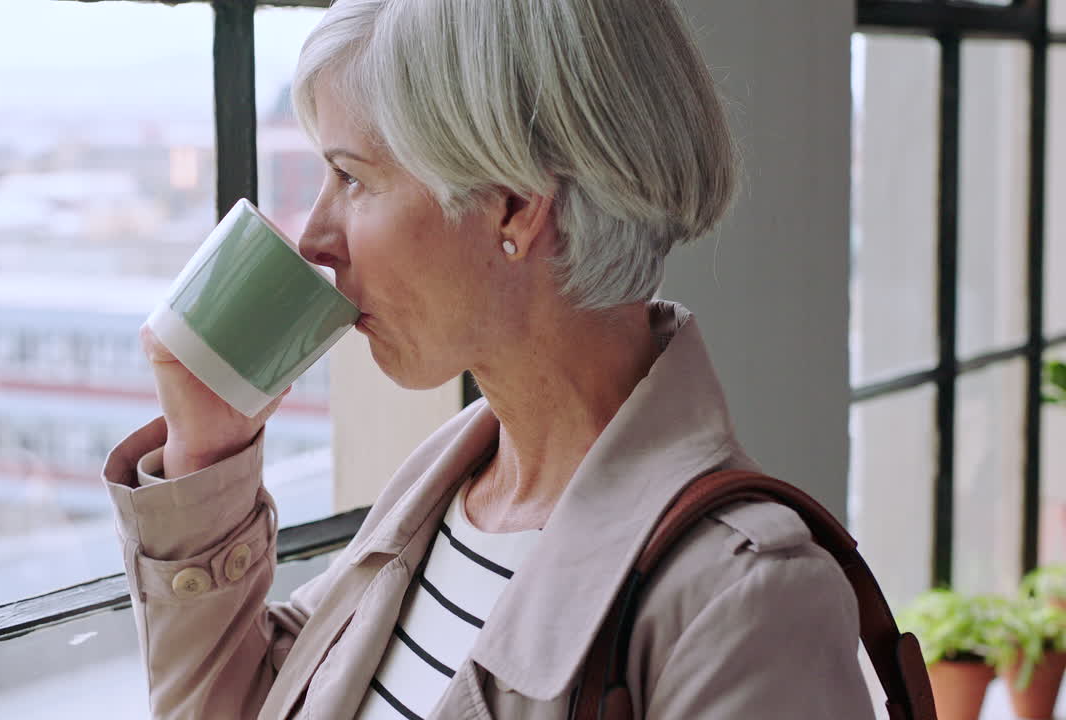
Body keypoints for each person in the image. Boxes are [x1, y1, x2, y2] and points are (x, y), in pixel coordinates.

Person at [101, 0, 877, 718]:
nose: (313, 239)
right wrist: (206, 451)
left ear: (514, 206)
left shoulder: (749, 597)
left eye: (351, 178)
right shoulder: (453, 478)